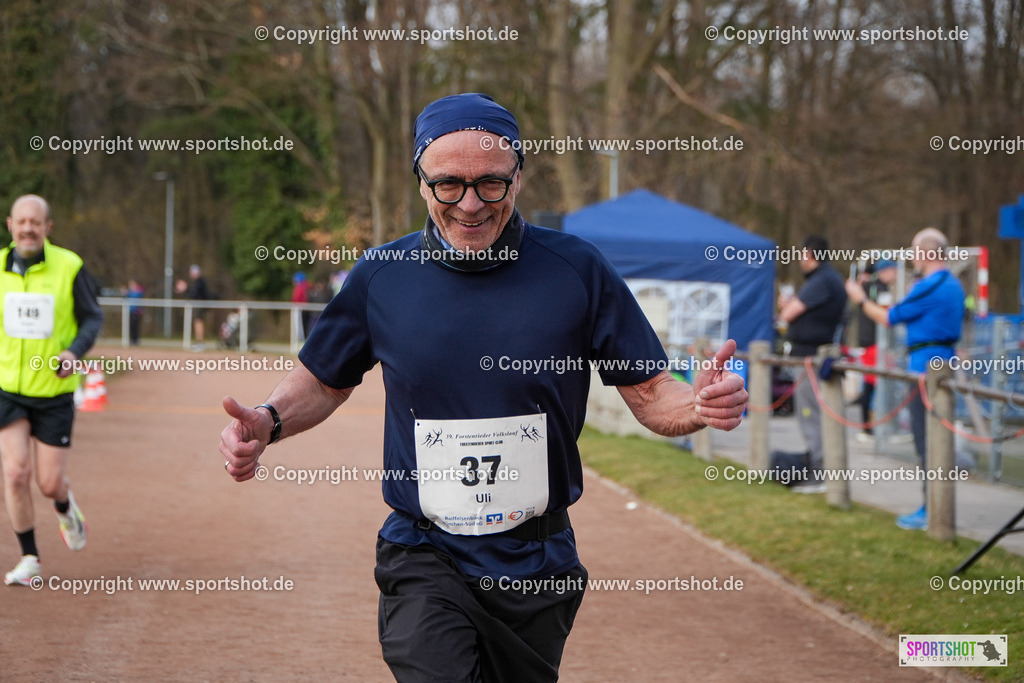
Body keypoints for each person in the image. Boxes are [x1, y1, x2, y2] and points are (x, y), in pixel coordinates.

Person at [219, 93, 748, 682]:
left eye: (490, 184)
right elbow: (322, 380)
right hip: (426, 553)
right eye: (448, 185)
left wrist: (699, 405)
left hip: (537, 563)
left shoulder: (576, 269)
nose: (469, 205)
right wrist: (268, 420)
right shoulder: (383, 277)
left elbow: (651, 394)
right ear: (421, 182)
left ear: (518, 177)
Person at [1, 195, 103, 586]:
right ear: (10, 225)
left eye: (36, 222)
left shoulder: (70, 266)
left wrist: (74, 352)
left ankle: (65, 506)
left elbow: (93, 316)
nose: (28, 228)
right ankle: (29, 557)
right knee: (14, 474)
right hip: (7, 388)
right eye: (21, 221)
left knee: (47, 483)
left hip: (54, 391)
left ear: (48, 227)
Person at [846, 228, 964, 530]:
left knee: (928, 443)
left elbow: (890, 317)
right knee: (933, 442)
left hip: (926, 371)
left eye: (913, 250)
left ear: (926, 252)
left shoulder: (931, 284)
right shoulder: (953, 284)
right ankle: (934, 507)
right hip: (940, 365)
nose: (911, 257)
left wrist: (860, 299)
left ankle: (933, 511)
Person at [777, 235, 847, 492]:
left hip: (810, 358)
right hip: (814, 356)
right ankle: (821, 470)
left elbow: (788, 314)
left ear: (809, 254)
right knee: (814, 415)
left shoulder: (821, 280)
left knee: (810, 416)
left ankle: (820, 475)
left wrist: (785, 305)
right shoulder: (827, 279)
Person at [851, 260, 897, 442]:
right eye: (894, 271)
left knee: (876, 385)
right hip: (874, 342)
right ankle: (867, 428)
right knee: (873, 385)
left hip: (874, 342)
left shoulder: (873, 286)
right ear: (885, 271)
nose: (895, 275)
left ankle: (878, 427)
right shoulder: (877, 288)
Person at [126, 279, 144, 345]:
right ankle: (132, 339)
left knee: (136, 326)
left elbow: (139, 294)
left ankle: (136, 340)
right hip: (130, 311)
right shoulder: (130, 292)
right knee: (131, 326)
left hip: (136, 312)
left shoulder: (138, 291)